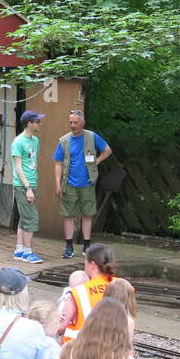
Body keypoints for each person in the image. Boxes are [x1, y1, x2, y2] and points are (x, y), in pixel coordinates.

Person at [52, 108, 111, 259]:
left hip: (88, 183)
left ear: (83, 123)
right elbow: (58, 163)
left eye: (75, 122)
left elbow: (107, 150)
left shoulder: (92, 137)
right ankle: (69, 246)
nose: (72, 125)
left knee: (87, 215)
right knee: (68, 216)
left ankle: (86, 246)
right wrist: (57, 184)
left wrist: (96, 162)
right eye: (70, 122)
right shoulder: (64, 140)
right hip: (69, 184)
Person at [58, 244, 122, 342]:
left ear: (92, 265)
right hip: (109, 348)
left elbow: (60, 327)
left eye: (85, 262)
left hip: (77, 349)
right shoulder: (122, 287)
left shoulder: (78, 291)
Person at [11, 110, 45, 263]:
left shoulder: (35, 141)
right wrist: (28, 188)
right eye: (37, 121)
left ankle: (19, 249)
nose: (40, 124)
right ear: (29, 123)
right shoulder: (18, 142)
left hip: (32, 182)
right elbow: (18, 167)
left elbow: (32, 162)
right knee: (31, 218)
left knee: (24, 217)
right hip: (23, 185)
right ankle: (27, 252)